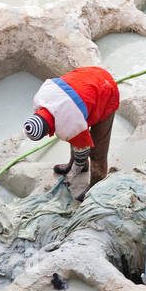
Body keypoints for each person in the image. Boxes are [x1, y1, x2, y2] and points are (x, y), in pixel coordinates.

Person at [22, 66, 121, 199]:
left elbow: (83, 146)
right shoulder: (40, 100)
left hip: (105, 90)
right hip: (85, 82)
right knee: (73, 134)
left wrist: (72, 174)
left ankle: (96, 185)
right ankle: (83, 166)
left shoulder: (67, 122)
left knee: (97, 149)